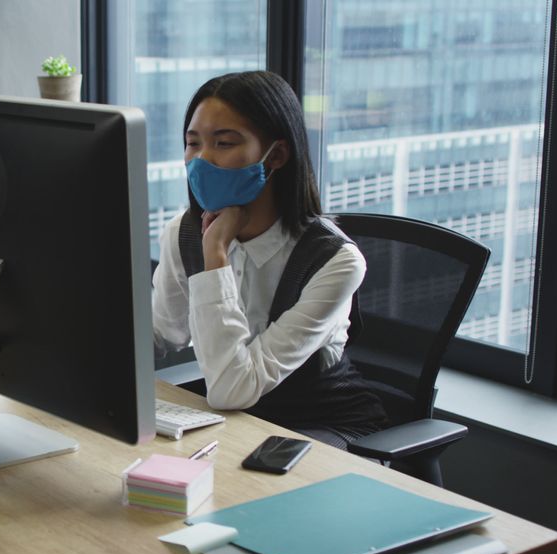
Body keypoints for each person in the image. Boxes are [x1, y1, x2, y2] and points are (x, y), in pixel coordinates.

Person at [152, 71, 387, 449]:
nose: (201, 160)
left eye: (223, 143)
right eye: (192, 144)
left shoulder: (336, 261)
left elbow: (232, 388)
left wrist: (215, 257)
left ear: (275, 155)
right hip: (239, 421)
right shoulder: (183, 233)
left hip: (322, 425)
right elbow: (163, 333)